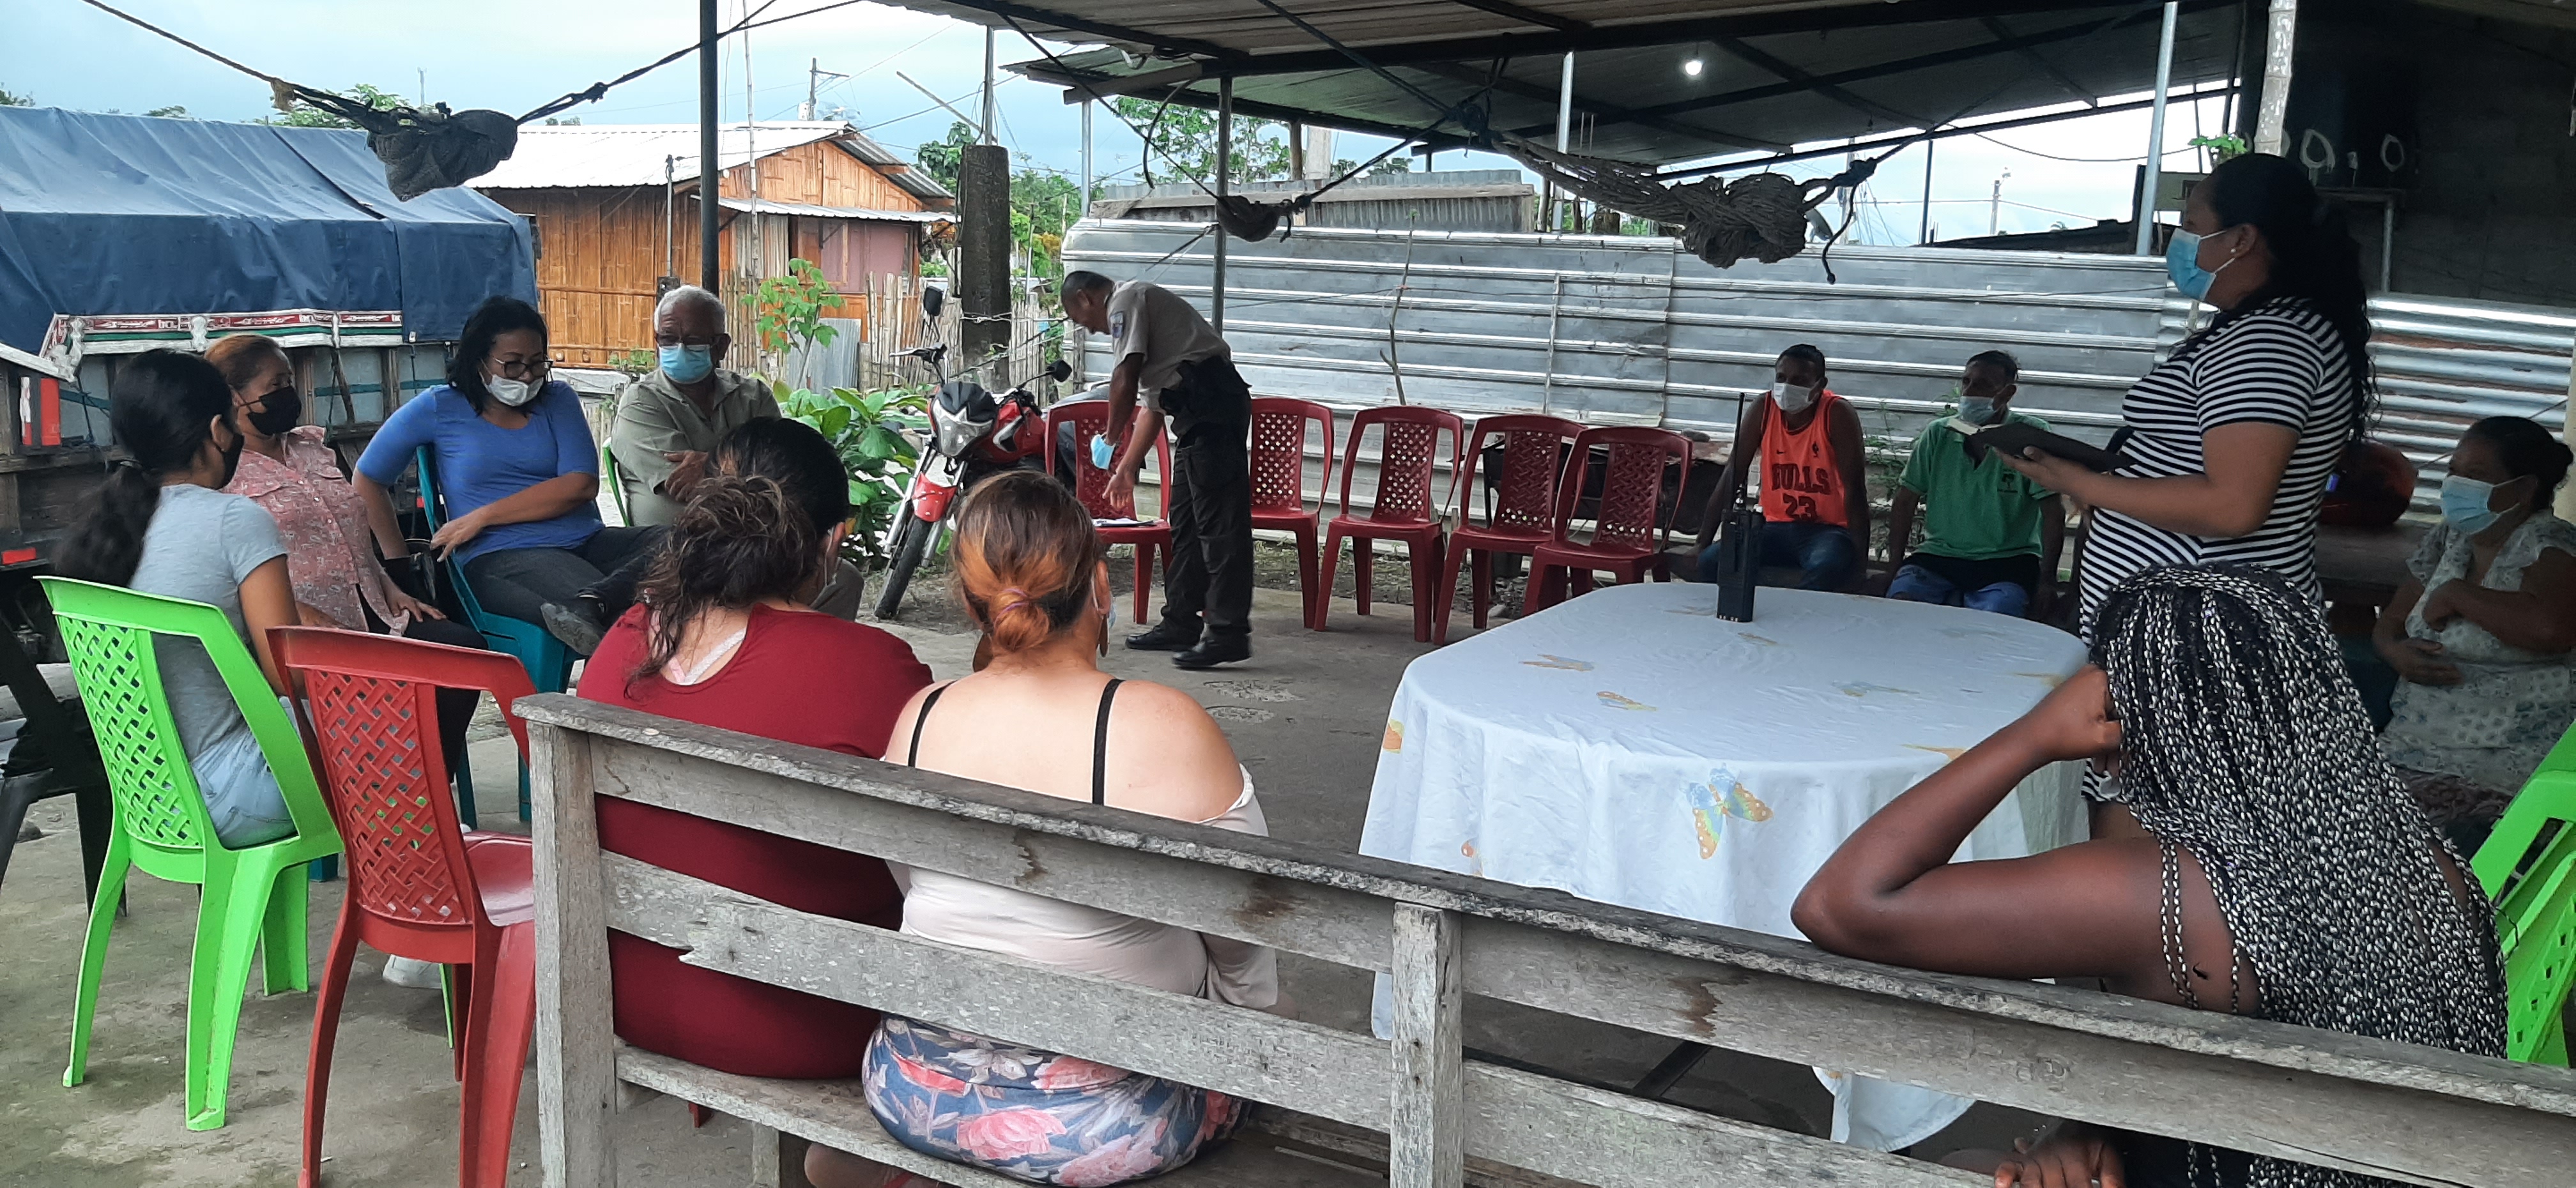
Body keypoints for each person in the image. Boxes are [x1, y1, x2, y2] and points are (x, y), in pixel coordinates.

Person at [1793, 565, 2505, 1188]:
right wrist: (2088, 1124)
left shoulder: (2165, 894)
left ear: (2124, 716)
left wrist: (2033, 735)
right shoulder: (2423, 862)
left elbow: (1844, 904)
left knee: (1961, 1167)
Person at [804, 470, 1276, 1188]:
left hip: (914, 1084)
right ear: (1101, 586)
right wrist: (1246, 1038)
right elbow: (1247, 926)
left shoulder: (923, 714)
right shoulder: (1164, 723)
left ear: (970, 602)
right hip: (1104, 1117)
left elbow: (911, 878)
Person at [578, 416, 933, 1079]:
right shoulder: (870, 665)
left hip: (630, 998)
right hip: (811, 1021)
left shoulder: (628, 634)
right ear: (832, 541)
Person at [2002, 154, 2369, 634]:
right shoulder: (2261, 329)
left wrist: (2082, 483)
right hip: (2190, 622)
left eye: (2192, 225)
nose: (2179, 239)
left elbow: (2233, 506)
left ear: (2241, 240)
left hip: (2205, 627)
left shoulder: (2268, 342)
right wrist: (2115, 486)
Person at [56, 350, 298, 848]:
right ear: (218, 431)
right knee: (387, 721)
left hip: (147, 799)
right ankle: (423, 873)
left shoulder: (101, 530)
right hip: (237, 796)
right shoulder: (236, 520)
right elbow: (288, 677)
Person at [353, 296, 662, 656]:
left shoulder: (557, 399)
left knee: (691, 542)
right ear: (479, 361)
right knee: (631, 613)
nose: (528, 376)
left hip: (588, 542)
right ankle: (599, 609)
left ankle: (594, 602)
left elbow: (581, 484)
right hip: (504, 556)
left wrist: (482, 516)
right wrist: (399, 568)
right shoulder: (439, 407)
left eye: (537, 363)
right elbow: (368, 479)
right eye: (513, 365)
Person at [2375, 416, 2576, 848]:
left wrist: (2459, 595)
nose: (2456, 486)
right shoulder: (2450, 539)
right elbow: (2390, 622)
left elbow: (2552, 628)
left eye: (2476, 475)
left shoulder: (2550, 545)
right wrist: (2394, 650)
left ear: (2523, 489)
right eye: (2454, 472)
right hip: (2410, 747)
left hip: (2500, 767)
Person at [607, 286, 867, 618]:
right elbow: (684, 486)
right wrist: (747, 470)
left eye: (693, 340)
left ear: (721, 346)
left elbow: (786, 474)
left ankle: (788, 650)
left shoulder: (753, 395)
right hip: (684, 548)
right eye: (668, 339)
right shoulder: (640, 403)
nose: (679, 349)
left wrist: (708, 465)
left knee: (844, 580)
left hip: (764, 540)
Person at [1059, 270, 1254, 670]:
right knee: (1185, 522)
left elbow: (1125, 377)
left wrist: (1111, 438)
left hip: (1212, 409)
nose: (1092, 331)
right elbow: (1151, 408)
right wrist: (1126, 469)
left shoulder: (1126, 301)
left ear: (1084, 298)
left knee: (1220, 526)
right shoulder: (1142, 319)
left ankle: (1228, 632)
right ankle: (1181, 621)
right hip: (1193, 414)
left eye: (1083, 321)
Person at [1882, 351, 2066, 618]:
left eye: (1983, 385)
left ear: (2007, 393)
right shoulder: (1940, 433)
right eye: (1966, 382)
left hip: (2008, 561)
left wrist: (2047, 580)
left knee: (1996, 618)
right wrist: (1893, 568)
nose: (1969, 392)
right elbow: (1905, 501)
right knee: (1900, 608)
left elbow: (2053, 513)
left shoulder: (2028, 437)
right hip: (1939, 556)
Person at [1692, 344, 1869, 591]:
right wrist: (1702, 542)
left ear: (1820, 385)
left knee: (1827, 566)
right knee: (1713, 561)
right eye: (1782, 378)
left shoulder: (1836, 413)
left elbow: (1855, 488)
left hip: (1827, 531)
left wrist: (1860, 564)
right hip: (1772, 527)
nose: (1787, 387)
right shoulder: (1764, 408)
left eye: (1800, 380)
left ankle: (1799, 615)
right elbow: (1734, 472)